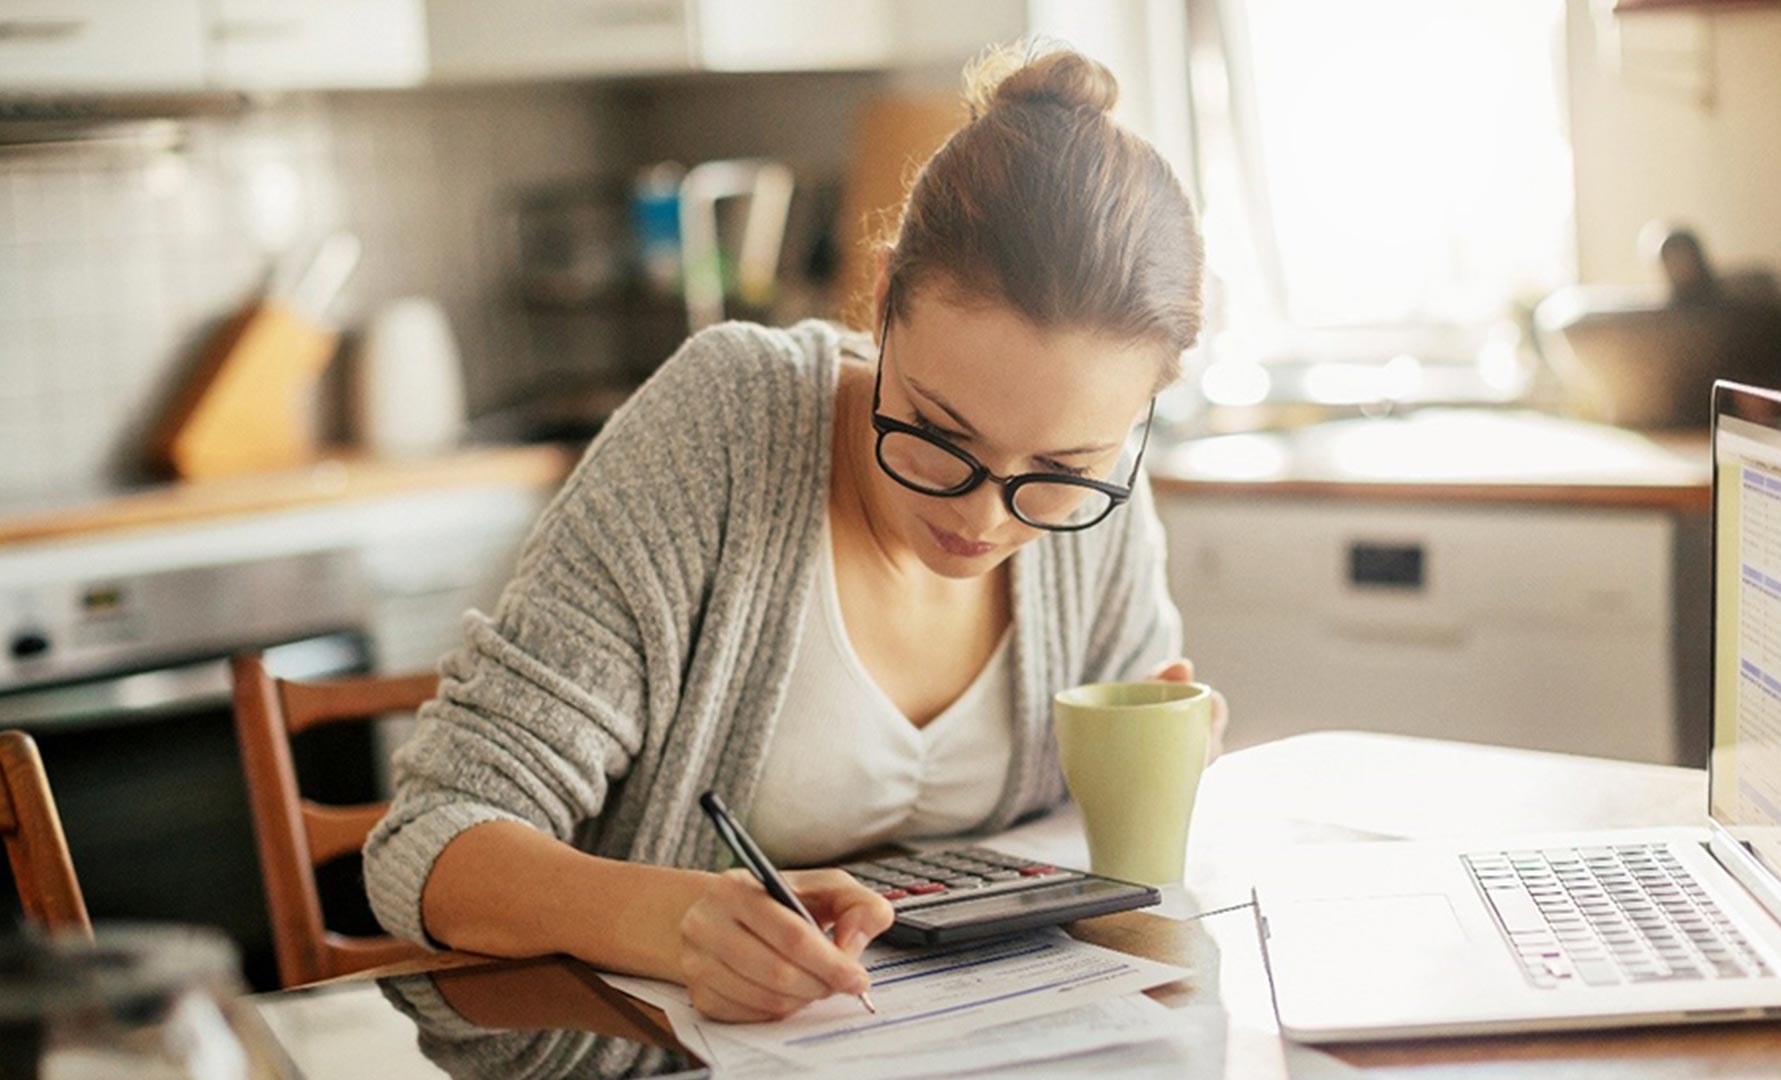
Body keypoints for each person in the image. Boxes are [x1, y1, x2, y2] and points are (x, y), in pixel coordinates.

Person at [364, 43, 1221, 1024]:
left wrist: (1162, 758)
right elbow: (428, 842)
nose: (984, 516)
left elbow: (1102, 846)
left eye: (1064, 470)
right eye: (942, 436)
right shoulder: (731, 426)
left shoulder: (1103, 490)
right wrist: (673, 921)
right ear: (885, 296)